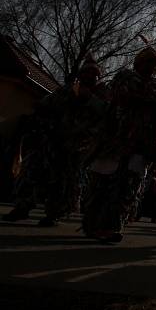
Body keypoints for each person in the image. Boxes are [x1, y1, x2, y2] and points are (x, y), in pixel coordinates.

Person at [82, 44, 156, 242]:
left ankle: (111, 227)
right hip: (114, 142)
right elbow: (114, 103)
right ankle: (93, 225)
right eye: (145, 62)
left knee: (126, 189)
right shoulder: (124, 80)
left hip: (140, 146)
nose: (149, 67)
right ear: (138, 63)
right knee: (101, 185)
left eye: (153, 64)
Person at [3, 55, 107, 225]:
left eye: (93, 75)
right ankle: (22, 207)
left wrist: (89, 101)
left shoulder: (100, 97)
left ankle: (53, 214)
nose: (89, 77)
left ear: (97, 78)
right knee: (32, 172)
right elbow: (46, 103)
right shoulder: (67, 90)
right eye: (86, 73)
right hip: (50, 141)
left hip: (74, 148)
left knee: (63, 182)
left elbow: (105, 116)